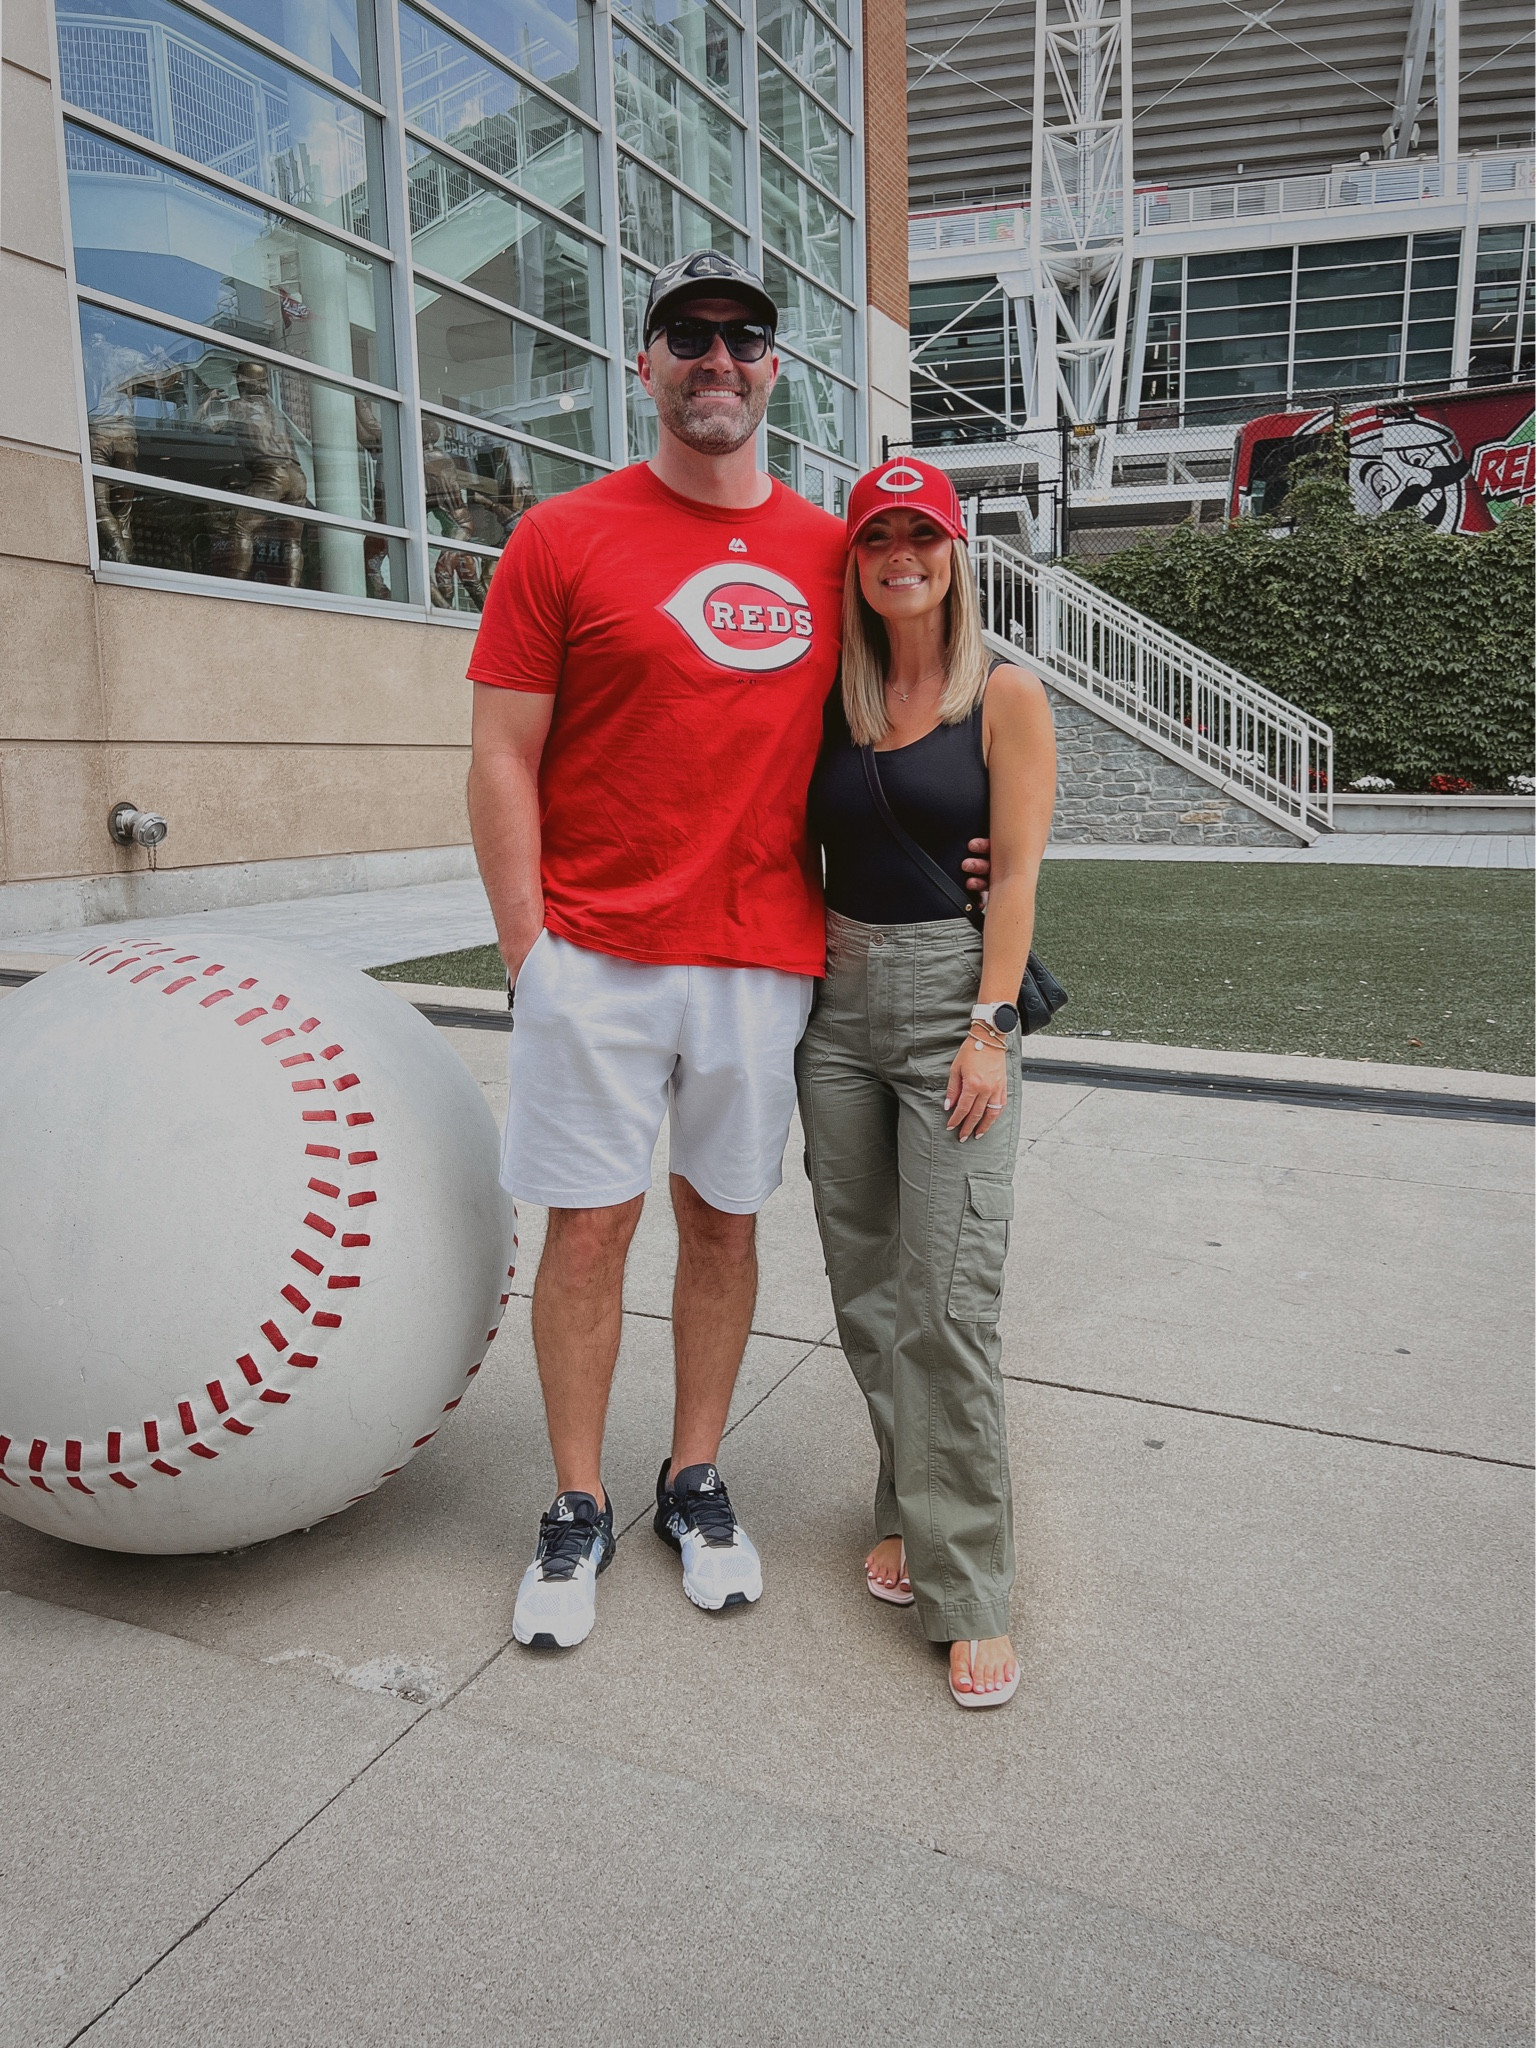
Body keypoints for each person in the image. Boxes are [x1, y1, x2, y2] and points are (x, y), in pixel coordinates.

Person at [464, 252, 848, 1650]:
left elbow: (907, 713)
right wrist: (531, 954)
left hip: (761, 952)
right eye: (687, 336)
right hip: (598, 952)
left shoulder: (830, 546)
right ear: (645, 366)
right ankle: (577, 1504)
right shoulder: (564, 536)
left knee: (724, 1223)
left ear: (775, 369)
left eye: (745, 338)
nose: (717, 358)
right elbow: (501, 756)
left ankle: (694, 1476)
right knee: (588, 1229)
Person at [797, 457, 1057, 1709]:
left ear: (955, 550)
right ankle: (906, 1494)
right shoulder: (832, 692)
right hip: (833, 1006)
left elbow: (1012, 875)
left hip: (954, 1003)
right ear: (852, 560)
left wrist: (991, 1027)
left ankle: (972, 1587)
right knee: (867, 1285)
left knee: (949, 1298)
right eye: (876, 536)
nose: (901, 552)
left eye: (923, 533)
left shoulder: (1004, 693)